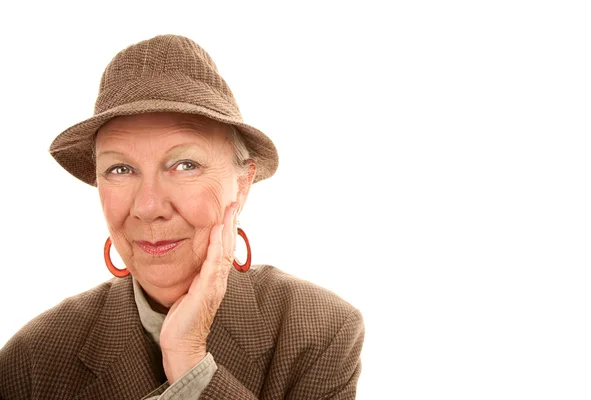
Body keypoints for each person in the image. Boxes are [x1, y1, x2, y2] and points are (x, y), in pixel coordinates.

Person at [0, 34, 364, 399]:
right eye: (120, 169)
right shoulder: (31, 360)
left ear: (242, 183)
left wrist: (190, 364)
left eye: (185, 164)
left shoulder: (319, 331)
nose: (148, 207)